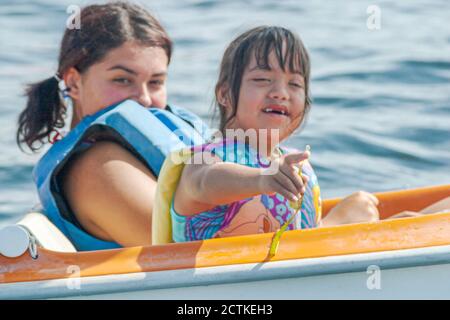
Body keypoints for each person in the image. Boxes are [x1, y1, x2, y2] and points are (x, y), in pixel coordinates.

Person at [153, 26, 450, 243]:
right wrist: (263, 179)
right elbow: (205, 184)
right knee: (402, 222)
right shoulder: (205, 159)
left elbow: (304, 241)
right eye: (262, 79)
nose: (280, 93)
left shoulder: (295, 165)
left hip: (296, 273)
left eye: (294, 85)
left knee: (381, 211)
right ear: (224, 94)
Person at [16, 1, 210, 250]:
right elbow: (197, 254)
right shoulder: (98, 168)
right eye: (122, 79)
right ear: (74, 82)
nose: (144, 98)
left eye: (156, 82)